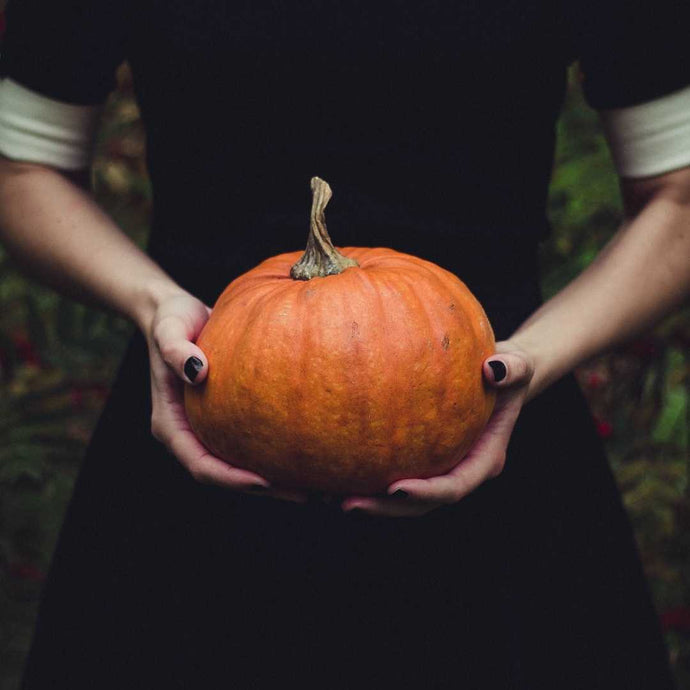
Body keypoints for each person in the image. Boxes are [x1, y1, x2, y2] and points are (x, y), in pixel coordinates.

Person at [0, 0, 689, 687]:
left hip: (493, 418)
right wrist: (154, 304)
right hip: (200, 402)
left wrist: (532, 358)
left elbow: (677, 198)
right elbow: (23, 171)